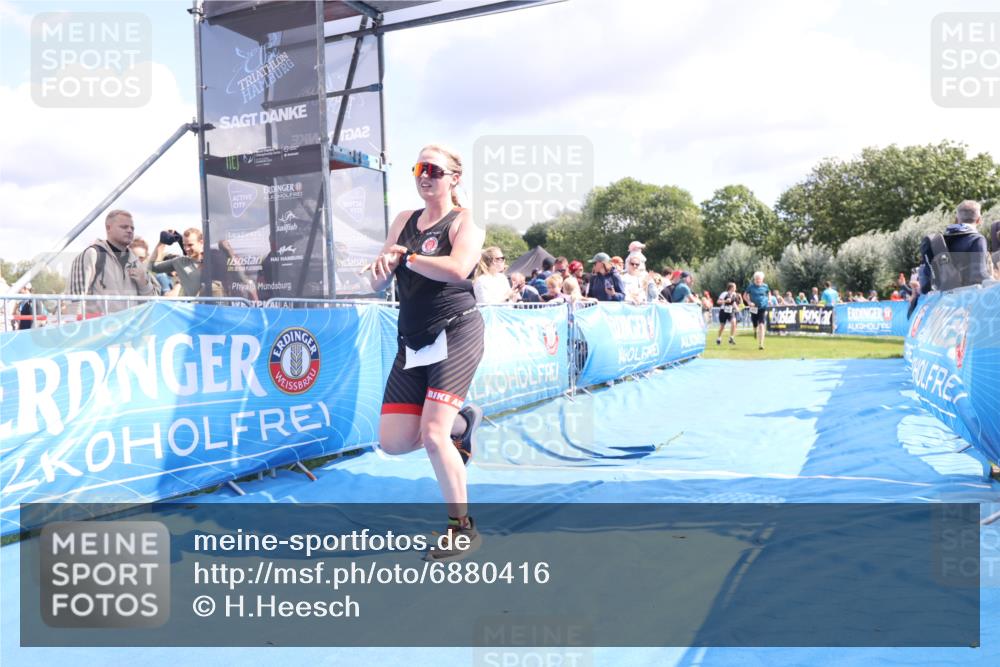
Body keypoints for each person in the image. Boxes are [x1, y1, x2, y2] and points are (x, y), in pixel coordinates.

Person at [364, 144, 486, 562]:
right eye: (418, 168)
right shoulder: (404, 221)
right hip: (412, 337)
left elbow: (457, 268)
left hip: (456, 331)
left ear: (454, 177)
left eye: (433, 169)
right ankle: (461, 425)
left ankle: (461, 528)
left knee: (432, 435)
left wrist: (408, 257)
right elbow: (379, 283)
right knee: (393, 442)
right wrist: (381, 271)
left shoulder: (466, 222)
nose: (423, 175)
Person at [69, 209, 159, 313]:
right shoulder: (92, 255)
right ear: (108, 228)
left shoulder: (137, 262)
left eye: (132, 228)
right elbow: (74, 300)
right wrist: (78, 326)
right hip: (99, 327)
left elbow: (153, 304)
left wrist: (144, 283)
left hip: (131, 327)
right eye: (124, 227)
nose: (130, 230)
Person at [915, 200, 993, 298]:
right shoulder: (977, 239)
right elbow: (979, 275)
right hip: (968, 299)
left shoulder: (940, 241)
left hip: (943, 300)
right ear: (979, 220)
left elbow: (926, 279)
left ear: (956, 219)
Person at [151, 227, 205, 297]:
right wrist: (162, 242)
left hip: (216, 306)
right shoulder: (180, 262)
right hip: (191, 307)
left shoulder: (214, 259)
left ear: (201, 242)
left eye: (190, 245)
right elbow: (154, 267)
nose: (186, 248)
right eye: (184, 245)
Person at [743, 270, 771, 350]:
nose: (758, 280)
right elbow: (744, 295)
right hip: (753, 308)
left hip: (762, 307)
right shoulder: (750, 287)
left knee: (761, 325)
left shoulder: (765, 286)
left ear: (762, 279)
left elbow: (769, 293)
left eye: (759, 279)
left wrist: (769, 299)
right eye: (757, 279)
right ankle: (755, 330)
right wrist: (749, 302)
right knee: (754, 323)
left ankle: (761, 344)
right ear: (754, 279)